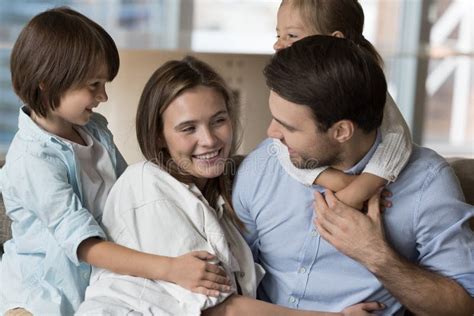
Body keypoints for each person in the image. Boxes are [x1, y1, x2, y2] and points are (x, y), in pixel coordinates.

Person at [77, 56, 384, 316]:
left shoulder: (225, 184)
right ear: (159, 136)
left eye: (218, 120)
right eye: (188, 128)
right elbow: (223, 309)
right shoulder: (147, 185)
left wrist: (362, 184)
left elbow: (285, 158)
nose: (209, 140)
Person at [0, 8, 230, 315]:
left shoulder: (95, 129)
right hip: (41, 298)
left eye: (104, 83)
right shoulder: (32, 160)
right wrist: (172, 269)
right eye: (93, 85)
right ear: (47, 82)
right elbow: (84, 245)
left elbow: (129, 191)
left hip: (97, 286)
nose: (103, 96)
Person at [232, 34, 474, 315]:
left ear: (341, 131)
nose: (271, 133)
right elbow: (229, 278)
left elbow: (464, 306)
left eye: (289, 127)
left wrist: (375, 255)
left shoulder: (427, 182)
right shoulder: (265, 163)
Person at [272, 0, 412, 210]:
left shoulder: (364, 84)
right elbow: (283, 147)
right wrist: (342, 182)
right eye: (278, 35)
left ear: (335, 40)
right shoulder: (286, 86)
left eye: (291, 36)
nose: (277, 44)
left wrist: (363, 189)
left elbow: (398, 136)